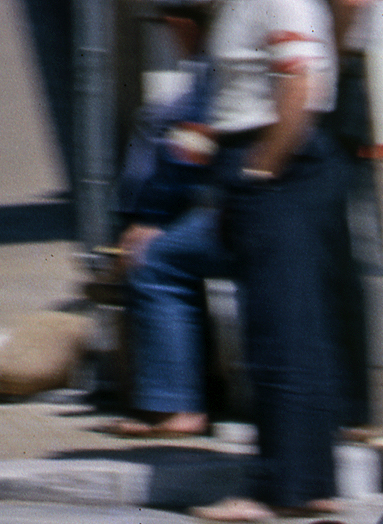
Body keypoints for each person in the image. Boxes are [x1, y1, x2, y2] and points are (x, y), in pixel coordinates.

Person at [192, 0, 351, 522]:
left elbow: (297, 79)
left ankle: (279, 487)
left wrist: (262, 169)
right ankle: (309, 482)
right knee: (300, 328)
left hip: (277, 163)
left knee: (277, 331)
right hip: (275, 157)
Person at [103, 0, 227, 440]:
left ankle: (175, 407)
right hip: (250, 205)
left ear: (180, 24)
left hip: (236, 212)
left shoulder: (212, 68)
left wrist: (148, 220)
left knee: (154, 262)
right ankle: (182, 395)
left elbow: (188, 147)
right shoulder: (217, 62)